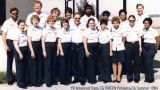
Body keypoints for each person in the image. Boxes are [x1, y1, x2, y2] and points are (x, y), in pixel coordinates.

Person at [1, 7, 19, 85]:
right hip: (10, 43)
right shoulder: (7, 22)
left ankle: (19, 77)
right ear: (10, 14)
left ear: (18, 13)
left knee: (19, 61)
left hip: (18, 43)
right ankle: (9, 79)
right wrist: (5, 45)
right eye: (13, 13)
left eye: (16, 13)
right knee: (10, 61)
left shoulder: (19, 21)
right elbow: (3, 34)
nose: (14, 14)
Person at [124, 15, 142, 83]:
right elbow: (124, 38)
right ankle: (129, 77)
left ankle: (137, 77)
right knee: (128, 62)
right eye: (130, 20)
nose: (131, 22)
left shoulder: (138, 28)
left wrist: (140, 47)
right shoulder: (126, 28)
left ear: (135, 21)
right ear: (128, 21)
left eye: (133, 20)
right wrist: (124, 46)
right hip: (128, 45)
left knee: (136, 62)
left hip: (136, 44)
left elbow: (139, 38)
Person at [41, 15, 58, 87]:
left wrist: (57, 50)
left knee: (53, 64)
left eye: (53, 21)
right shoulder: (45, 30)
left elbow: (57, 40)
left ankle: (53, 80)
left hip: (54, 46)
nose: (51, 22)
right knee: (48, 65)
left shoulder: (55, 29)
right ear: (47, 22)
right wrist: (44, 51)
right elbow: (42, 40)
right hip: (47, 47)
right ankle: (48, 81)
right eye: (50, 21)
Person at [70, 12, 86, 85]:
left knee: (81, 63)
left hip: (81, 46)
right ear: (73, 18)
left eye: (78, 18)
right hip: (73, 46)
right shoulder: (70, 26)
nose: (77, 19)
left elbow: (85, 36)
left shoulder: (83, 26)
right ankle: (76, 78)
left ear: (80, 19)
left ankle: (82, 79)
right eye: (75, 18)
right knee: (74, 63)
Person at [142, 18, 159, 83]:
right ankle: (147, 78)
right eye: (145, 23)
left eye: (147, 23)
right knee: (146, 63)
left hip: (151, 47)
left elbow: (158, 40)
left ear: (150, 23)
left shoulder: (153, 31)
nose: (145, 24)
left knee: (149, 62)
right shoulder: (143, 30)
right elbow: (143, 38)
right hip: (145, 47)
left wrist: (156, 48)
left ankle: (151, 78)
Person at [27, 15, 43, 87]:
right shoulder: (30, 29)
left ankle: (38, 81)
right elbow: (29, 41)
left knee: (39, 64)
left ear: (38, 21)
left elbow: (42, 39)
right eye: (34, 20)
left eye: (36, 20)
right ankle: (33, 81)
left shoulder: (40, 28)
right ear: (32, 21)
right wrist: (32, 51)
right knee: (32, 65)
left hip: (39, 46)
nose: (35, 21)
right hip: (32, 46)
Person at [83, 18, 99, 84]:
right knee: (90, 64)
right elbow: (84, 41)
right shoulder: (86, 31)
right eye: (90, 23)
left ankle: (94, 77)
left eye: (93, 23)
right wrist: (86, 51)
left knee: (95, 63)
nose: (92, 24)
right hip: (90, 48)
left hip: (96, 49)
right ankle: (91, 79)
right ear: (88, 24)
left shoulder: (96, 30)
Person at [13, 20, 28, 89]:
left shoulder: (24, 32)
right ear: (18, 26)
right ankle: (20, 83)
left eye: (23, 25)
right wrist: (20, 53)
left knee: (25, 67)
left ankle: (24, 81)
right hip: (19, 50)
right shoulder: (16, 33)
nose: (22, 26)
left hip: (25, 49)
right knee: (20, 68)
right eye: (21, 25)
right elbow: (15, 44)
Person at [57, 18, 72, 85]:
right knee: (63, 64)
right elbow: (59, 41)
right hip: (63, 47)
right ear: (62, 24)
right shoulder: (60, 31)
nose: (65, 24)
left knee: (68, 64)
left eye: (66, 22)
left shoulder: (69, 30)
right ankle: (63, 80)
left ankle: (68, 79)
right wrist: (61, 50)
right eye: (64, 23)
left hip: (69, 47)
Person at [110, 16, 125, 83]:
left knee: (119, 62)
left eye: (117, 23)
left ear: (119, 23)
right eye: (114, 23)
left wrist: (123, 45)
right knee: (114, 63)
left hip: (120, 47)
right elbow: (110, 39)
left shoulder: (122, 29)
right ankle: (114, 76)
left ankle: (119, 76)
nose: (115, 24)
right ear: (112, 23)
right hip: (113, 48)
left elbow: (123, 38)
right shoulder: (110, 29)